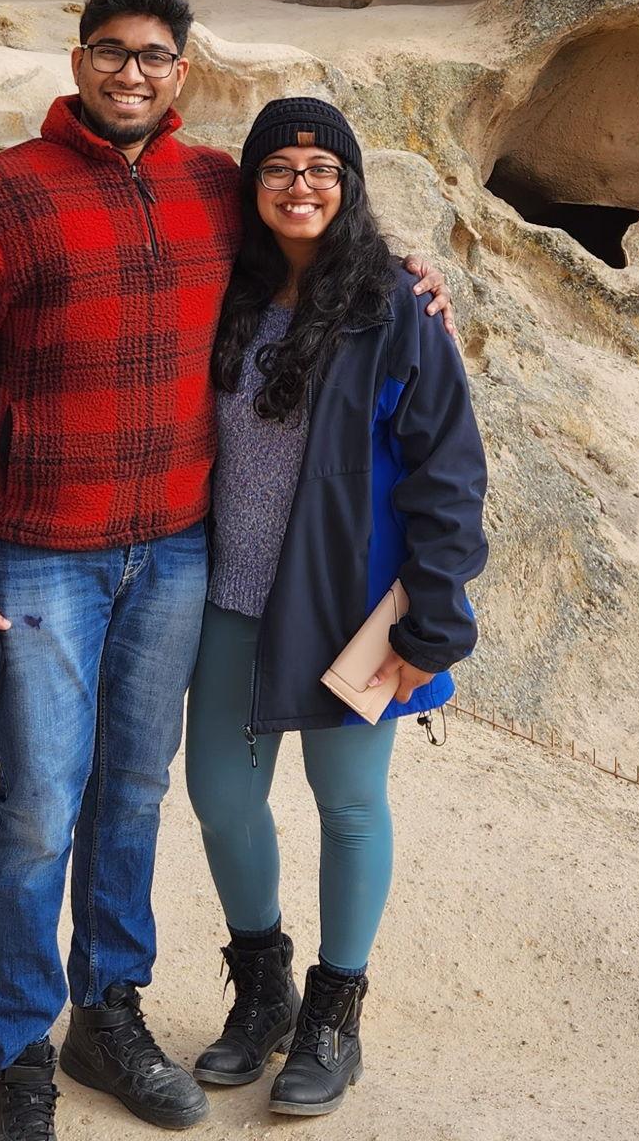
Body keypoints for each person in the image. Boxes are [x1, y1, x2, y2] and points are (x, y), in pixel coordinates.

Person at [0, 0, 451, 1141]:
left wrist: (415, 285)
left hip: (171, 557)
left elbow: (330, 232)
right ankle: (10, 1054)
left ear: (183, 71)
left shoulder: (211, 187)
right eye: (110, 51)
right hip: (40, 554)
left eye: (153, 55)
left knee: (136, 792)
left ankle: (107, 1006)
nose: (130, 73)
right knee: (43, 800)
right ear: (79, 57)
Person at [183, 96, 487, 1118]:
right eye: (278, 166)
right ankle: (263, 983)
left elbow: (446, 466)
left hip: (350, 607)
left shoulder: (392, 301)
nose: (299, 184)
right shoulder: (227, 286)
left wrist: (433, 621)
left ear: (347, 185)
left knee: (348, 801)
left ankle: (332, 1010)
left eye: (320, 167)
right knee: (221, 794)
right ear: (251, 184)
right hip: (232, 593)